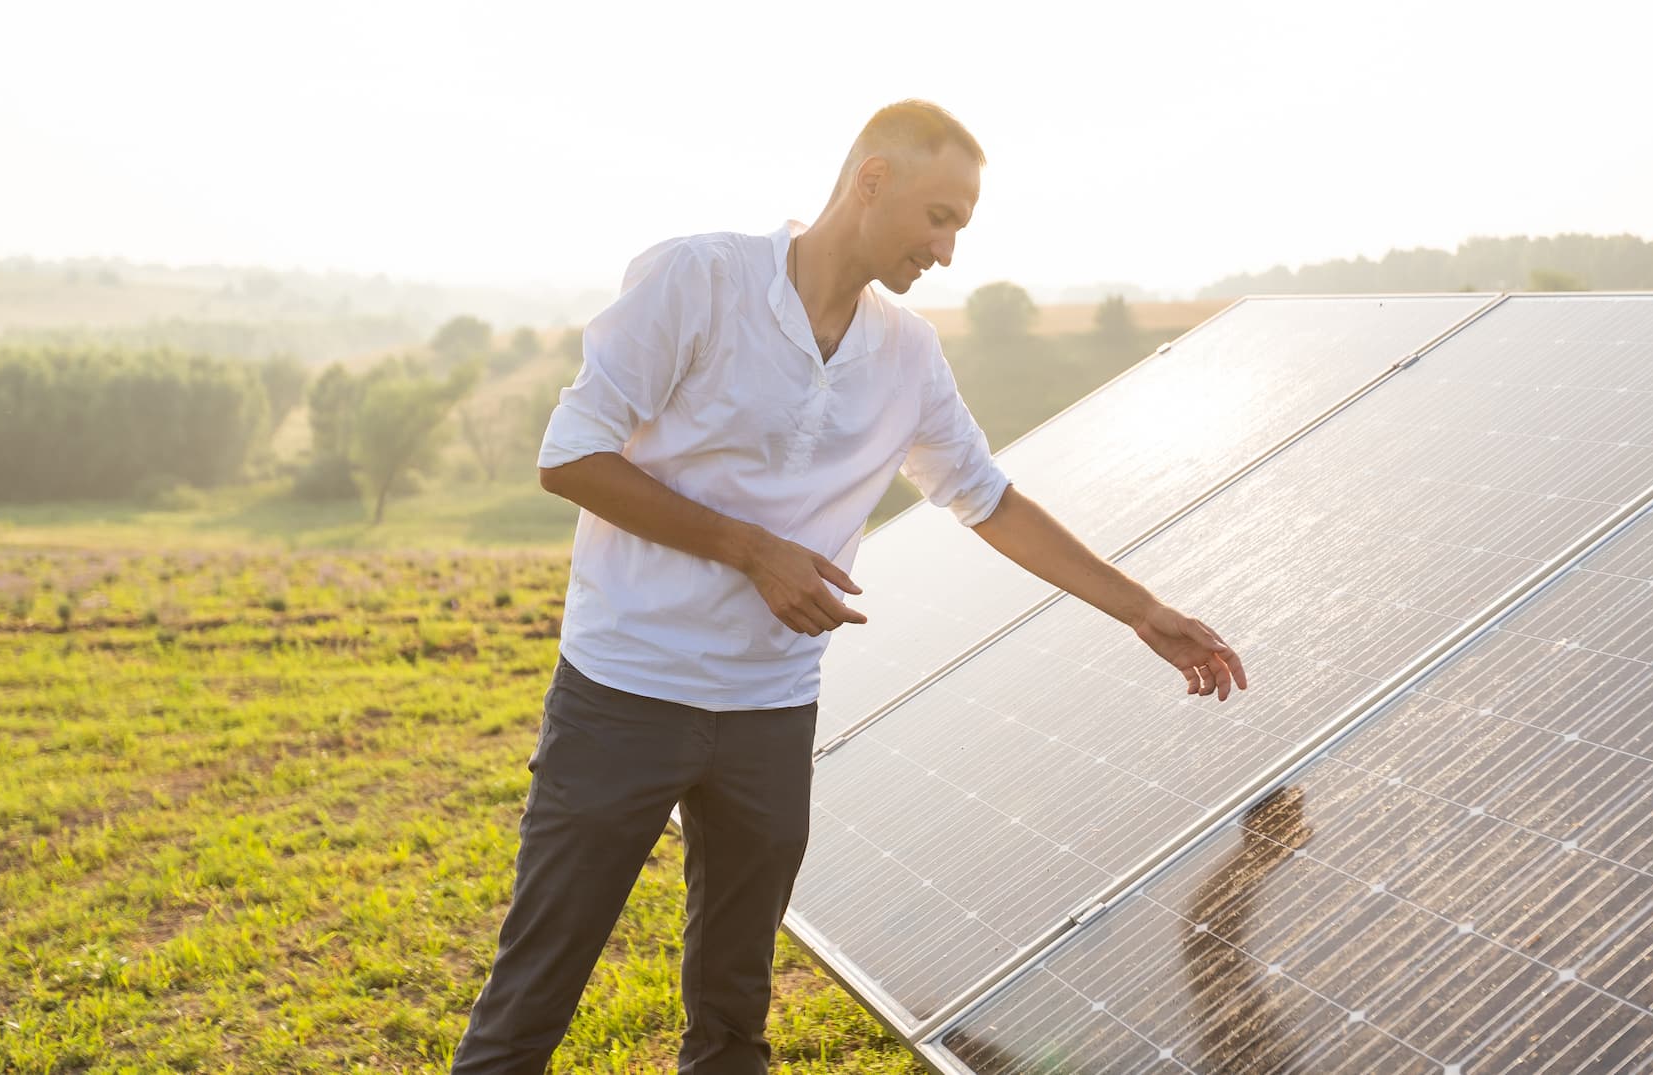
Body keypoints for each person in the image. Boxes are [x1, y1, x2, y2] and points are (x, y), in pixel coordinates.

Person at [450, 98, 1249, 1075]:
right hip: (625, 694)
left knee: (733, 1020)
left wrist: (1144, 611)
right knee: (531, 1001)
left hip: (770, 712)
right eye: (939, 216)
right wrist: (751, 548)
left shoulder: (906, 351)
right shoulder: (696, 279)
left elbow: (984, 497)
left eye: (961, 224)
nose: (948, 249)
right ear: (870, 180)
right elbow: (569, 456)